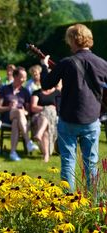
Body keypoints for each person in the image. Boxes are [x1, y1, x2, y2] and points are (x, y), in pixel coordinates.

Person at [40, 24, 107, 191]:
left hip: (68, 118)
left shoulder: (66, 63)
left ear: (72, 40)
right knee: (91, 163)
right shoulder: (102, 63)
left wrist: (43, 66)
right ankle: (93, 202)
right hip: (92, 118)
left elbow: (46, 84)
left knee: (68, 162)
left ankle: (68, 203)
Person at [0, 67, 39, 161]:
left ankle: (12, 152)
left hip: (20, 118)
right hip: (7, 116)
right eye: (22, 77)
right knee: (18, 112)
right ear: (15, 76)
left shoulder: (25, 92)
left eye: (25, 77)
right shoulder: (4, 89)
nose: (24, 80)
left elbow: (28, 111)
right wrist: (9, 107)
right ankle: (28, 142)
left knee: (16, 121)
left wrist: (25, 112)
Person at [30, 87, 61, 162]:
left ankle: (45, 153)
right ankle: (46, 154)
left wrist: (50, 109)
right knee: (43, 117)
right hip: (38, 116)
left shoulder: (58, 93)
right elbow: (33, 107)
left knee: (45, 121)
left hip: (53, 117)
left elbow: (60, 108)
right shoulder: (37, 93)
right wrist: (46, 108)